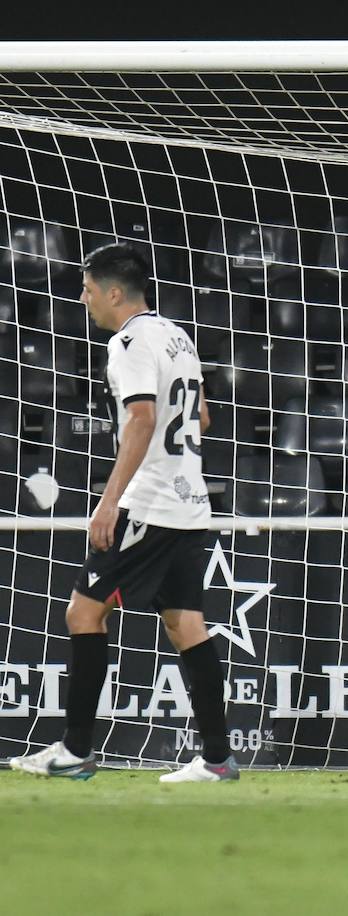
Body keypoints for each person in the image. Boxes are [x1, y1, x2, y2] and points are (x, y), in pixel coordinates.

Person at [8, 243, 235, 783]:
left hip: (149, 504)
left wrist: (109, 502)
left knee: (83, 614)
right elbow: (201, 417)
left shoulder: (127, 342)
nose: (82, 298)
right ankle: (217, 758)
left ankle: (76, 750)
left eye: (88, 290)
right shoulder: (177, 336)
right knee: (186, 625)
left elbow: (141, 419)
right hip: (189, 504)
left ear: (114, 293)